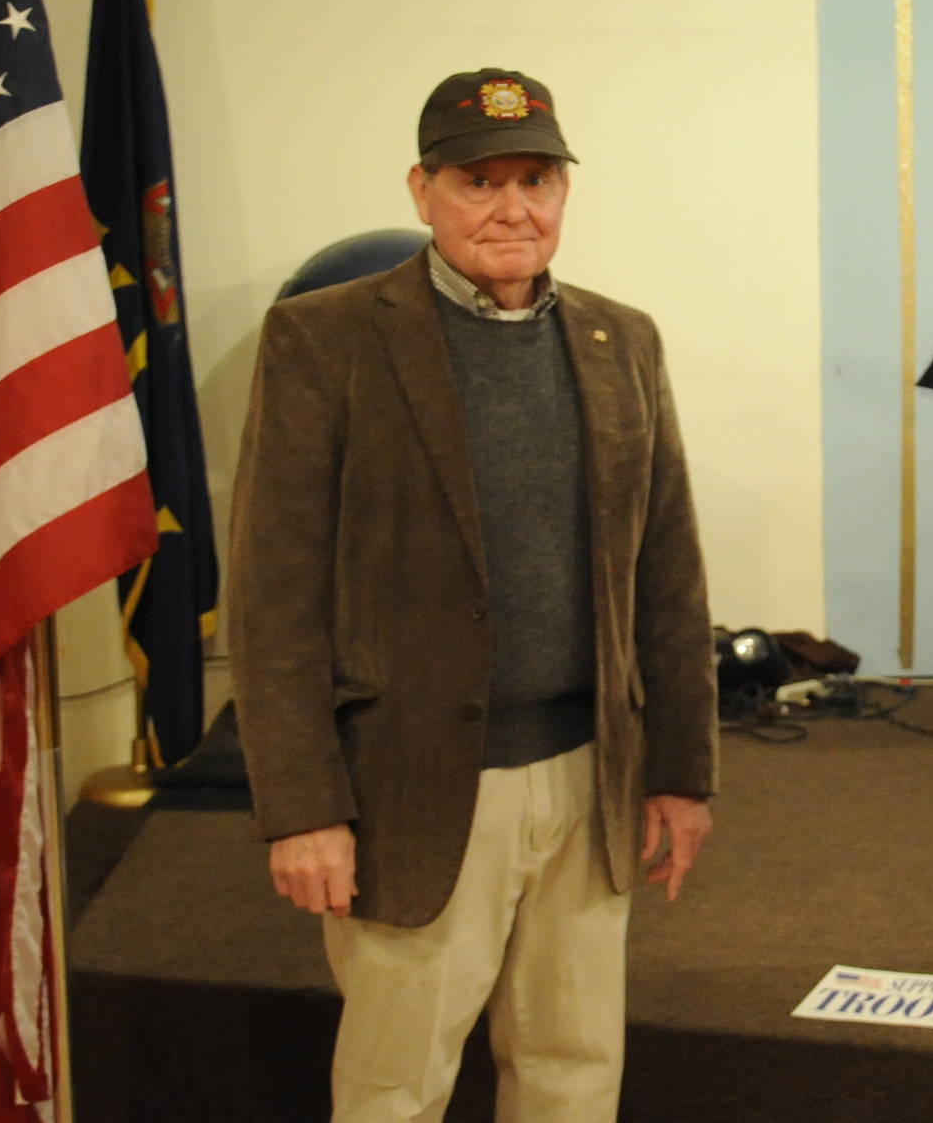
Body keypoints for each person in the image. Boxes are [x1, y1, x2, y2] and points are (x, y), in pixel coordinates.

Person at [229, 68, 718, 1123]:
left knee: (572, 1071)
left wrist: (681, 771)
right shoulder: (324, 339)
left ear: (564, 190)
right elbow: (273, 596)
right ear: (422, 190)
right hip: (413, 791)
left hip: (587, 779)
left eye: (536, 180)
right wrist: (302, 808)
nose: (512, 208)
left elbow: (668, 576)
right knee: (395, 1088)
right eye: (478, 181)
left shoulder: (622, 340)